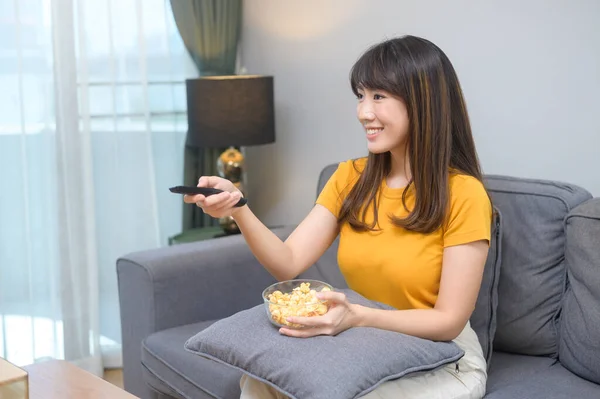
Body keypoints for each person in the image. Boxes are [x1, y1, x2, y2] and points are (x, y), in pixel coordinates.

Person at [184, 35, 491, 399]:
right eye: (361, 96)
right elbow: (288, 262)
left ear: (423, 101)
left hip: (445, 359)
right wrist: (239, 208)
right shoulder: (350, 178)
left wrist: (358, 316)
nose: (364, 112)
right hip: (371, 344)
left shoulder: (464, 194)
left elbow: (448, 322)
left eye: (379, 96)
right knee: (261, 381)